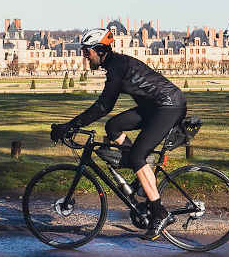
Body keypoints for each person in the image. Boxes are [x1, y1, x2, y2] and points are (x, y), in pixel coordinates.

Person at [50, 28, 187, 241]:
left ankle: (160, 212)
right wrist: (72, 125)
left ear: (100, 50)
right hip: (155, 106)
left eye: (87, 52)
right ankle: (141, 172)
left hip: (168, 106)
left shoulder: (117, 67)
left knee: (136, 156)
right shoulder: (115, 65)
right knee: (113, 127)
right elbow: (106, 112)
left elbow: (104, 106)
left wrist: (70, 126)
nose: (85, 57)